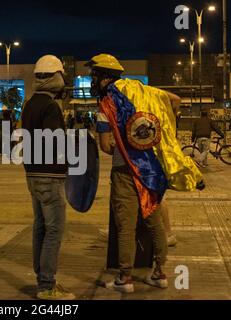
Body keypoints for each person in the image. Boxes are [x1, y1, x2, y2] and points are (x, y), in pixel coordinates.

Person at [87, 54, 202, 293]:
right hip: (151, 170)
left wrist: (123, 144)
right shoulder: (141, 90)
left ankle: (125, 278)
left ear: (103, 77)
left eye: (93, 76)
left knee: (125, 226)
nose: (91, 80)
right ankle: (160, 273)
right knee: (154, 221)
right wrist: (165, 128)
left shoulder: (106, 103)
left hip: (123, 170)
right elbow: (176, 100)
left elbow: (106, 146)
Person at [22, 55, 75, 300]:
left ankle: (41, 279)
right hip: (49, 176)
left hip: (32, 174)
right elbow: (55, 142)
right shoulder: (51, 107)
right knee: (54, 230)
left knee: (40, 227)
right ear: (55, 78)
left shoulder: (30, 104)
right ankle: (46, 285)